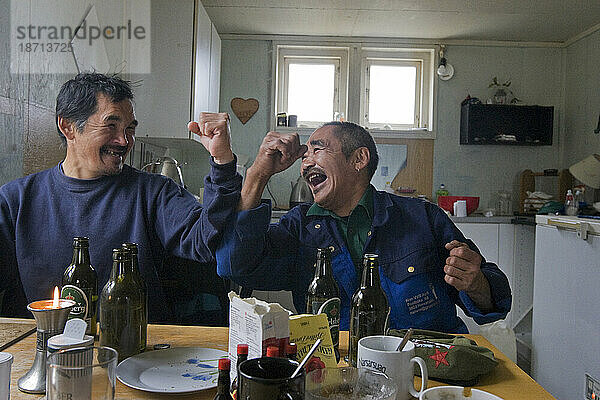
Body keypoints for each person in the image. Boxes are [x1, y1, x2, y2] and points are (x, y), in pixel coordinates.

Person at [213, 121, 511, 333]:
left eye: (316, 151)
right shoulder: (299, 227)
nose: (305, 165)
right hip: (336, 373)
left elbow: (491, 305)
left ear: (359, 159)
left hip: (427, 371)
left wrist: (476, 283)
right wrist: (257, 175)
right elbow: (233, 265)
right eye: (304, 158)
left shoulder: (424, 218)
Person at [0, 73, 241, 321]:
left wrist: (222, 162)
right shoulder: (16, 201)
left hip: (134, 348)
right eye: (111, 126)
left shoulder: (154, 192)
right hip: (37, 350)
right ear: (68, 126)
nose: (124, 141)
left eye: (129, 129)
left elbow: (204, 242)